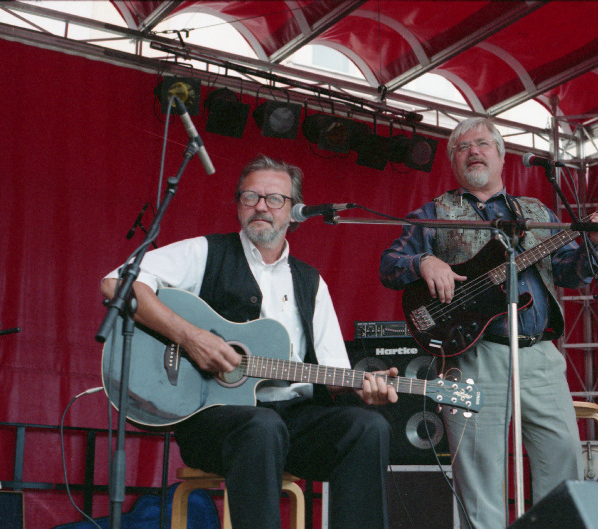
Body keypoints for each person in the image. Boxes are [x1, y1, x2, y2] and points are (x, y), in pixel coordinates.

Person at [101, 154, 397, 529]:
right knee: (261, 427)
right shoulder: (205, 252)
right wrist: (190, 338)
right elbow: (116, 283)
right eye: (250, 196)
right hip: (213, 423)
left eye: (275, 199)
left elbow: (333, 373)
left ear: (294, 212)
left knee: (368, 427)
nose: (261, 206)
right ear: (238, 205)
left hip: (292, 423)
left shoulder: (310, 282)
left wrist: (358, 390)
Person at [379, 117, 598, 528]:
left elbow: (569, 272)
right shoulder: (435, 212)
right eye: (463, 147)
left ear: (502, 155)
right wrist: (424, 261)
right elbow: (389, 265)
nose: (474, 151)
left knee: (562, 462)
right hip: (472, 356)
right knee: (479, 475)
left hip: (540, 356)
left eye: (483, 144)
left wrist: (595, 244)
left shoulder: (536, 212)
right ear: (453, 161)